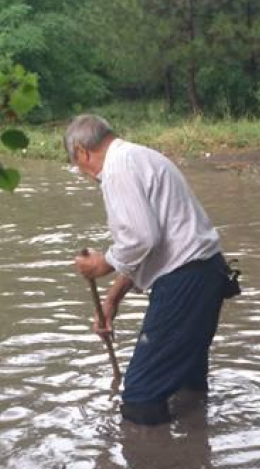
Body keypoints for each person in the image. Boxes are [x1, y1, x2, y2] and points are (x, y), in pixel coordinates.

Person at [65, 114, 234, 426]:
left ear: (81, 152)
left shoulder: (117, 169)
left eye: (78, 166)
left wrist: (102, 264)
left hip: (186, 280)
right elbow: (151, 246)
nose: (85, 175)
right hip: (206, 274)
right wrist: (112, 301)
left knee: (140, 397)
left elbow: (141, 238)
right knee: (187, 384)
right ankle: (197, 457)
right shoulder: (139, 157)